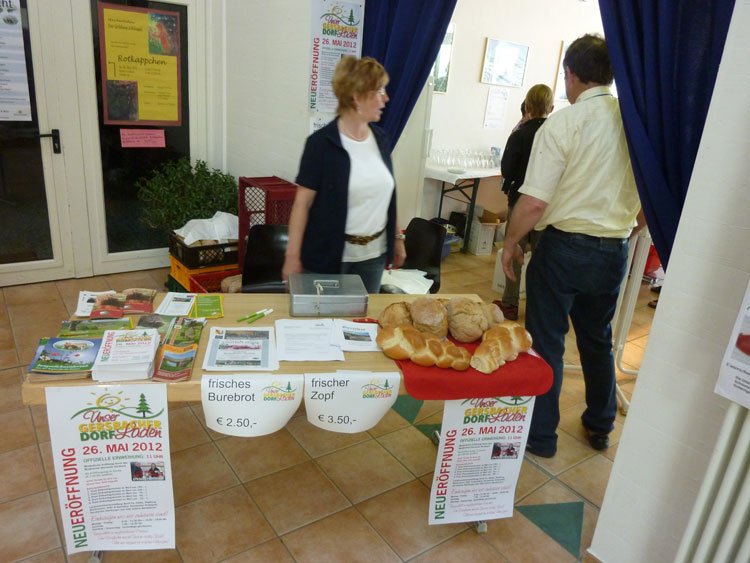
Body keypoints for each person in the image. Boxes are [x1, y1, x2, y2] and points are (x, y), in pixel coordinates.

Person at [501, 34, 645, 458]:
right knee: (597, 338)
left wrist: (510, 242)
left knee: (547, 340)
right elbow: (649, 201)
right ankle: (600, 425)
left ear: (570, 74)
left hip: (563, 248)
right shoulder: (634, 123)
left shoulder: (563, 123)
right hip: (613, 250)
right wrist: (627, 230)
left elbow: (535, 202)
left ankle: (542, 436)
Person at [282, 56, 406, 293]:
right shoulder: (321, 144)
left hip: (373, 256)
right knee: (323, 324)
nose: (386, 98)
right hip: (328, 256)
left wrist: (398, 239)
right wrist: (292, 256)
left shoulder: (381, 139)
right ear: (357, 97)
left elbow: (389, 194)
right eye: (379, 91)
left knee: (361, 325)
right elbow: (302, 204)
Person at [495, 84, 554, 321]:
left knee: (514, 253)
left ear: (527, 106)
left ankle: (509, 304)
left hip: (519, 204)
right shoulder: (555, 135)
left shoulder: (519, 135)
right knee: (540, 261)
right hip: (547, 207)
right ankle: (536, 310)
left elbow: (506, 169)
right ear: (551, 107)